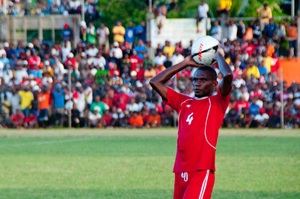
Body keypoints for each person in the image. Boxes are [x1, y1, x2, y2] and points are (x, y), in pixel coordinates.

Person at [150, 45, 233, 199]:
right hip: (180, 171)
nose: (197, 83)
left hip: (201, 171)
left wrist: (218, 55)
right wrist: (185, 63)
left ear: (214, 84)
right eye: (195, 79)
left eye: (203, 80)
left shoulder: (217, 102)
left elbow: (227, 75)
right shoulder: (183, 102)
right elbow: (155, 82)